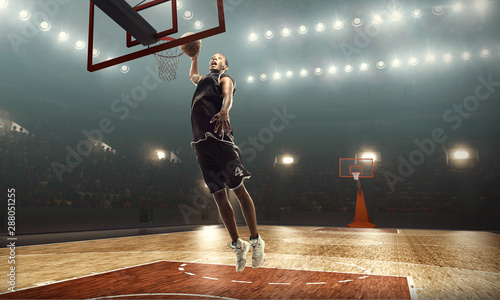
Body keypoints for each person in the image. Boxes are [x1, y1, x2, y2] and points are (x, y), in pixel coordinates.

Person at [188, 48, 265, 273]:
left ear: (225, 66)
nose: (214, 59)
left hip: (221, 139)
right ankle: (237, 244)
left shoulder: (225, 77)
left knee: (238, 190)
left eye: (219, 58)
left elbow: (228, 93)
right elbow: (193, 77)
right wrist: (194, 57)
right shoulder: (203, 79)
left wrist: (224, 111)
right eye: (212, 57)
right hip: (201, 143)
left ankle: (255, 240)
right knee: (219, 196)